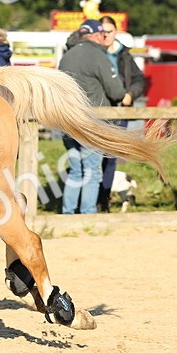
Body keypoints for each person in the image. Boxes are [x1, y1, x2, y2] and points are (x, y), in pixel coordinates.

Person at [57, 19, 127, 215]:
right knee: (92, 170)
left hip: (67, 123)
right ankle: (88, 214)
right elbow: (116, 92)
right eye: (102, 34)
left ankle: (68, 212)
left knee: (76, 169)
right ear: (96, 35)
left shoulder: (66, 57)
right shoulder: (98, 56)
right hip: (92, 122)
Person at [97, 15, 145, 211]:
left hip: (120, 113)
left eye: (109, 31)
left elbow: (139, 80)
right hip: (99, 111)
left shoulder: (124, 56)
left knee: (110, 159)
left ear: (116, 32)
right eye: (102, 31)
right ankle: (92, 201)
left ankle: (104, 199)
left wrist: (130, 94)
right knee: (95, 157)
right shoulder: (95, 53)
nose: (106, 35)